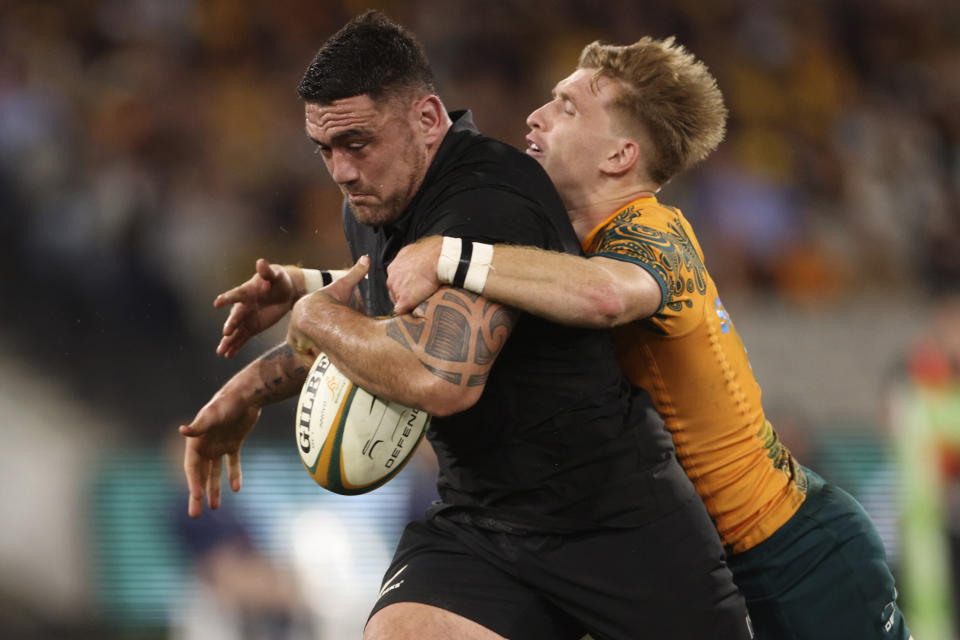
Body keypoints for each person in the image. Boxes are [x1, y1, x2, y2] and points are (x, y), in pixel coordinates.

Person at [181, 11, 752, 640]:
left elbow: (440, 375)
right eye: (326, 150)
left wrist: (312, 312)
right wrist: (248, 388)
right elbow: (376, 326)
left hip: (613, 524)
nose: (342, 171)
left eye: (357, 144)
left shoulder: (489, 197)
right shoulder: (377, 199)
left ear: (427, 120)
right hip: (481, 521)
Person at [385, 36, 913, 640]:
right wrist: (308, 286)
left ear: (619, 156)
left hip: (795, 553)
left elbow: (607, 295)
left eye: (567, 107)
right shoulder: (558, 250)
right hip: (684, 562)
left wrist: (446, 254)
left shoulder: (654, 233)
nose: (536, 116)